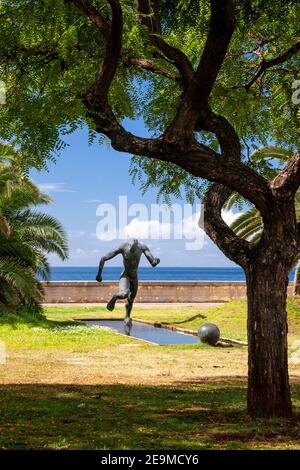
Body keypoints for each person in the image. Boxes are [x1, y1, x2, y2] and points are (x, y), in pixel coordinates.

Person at [96, 239, 160, 324]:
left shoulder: (142, 247)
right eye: (131, 251)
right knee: (124, 293)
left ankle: (127, 316)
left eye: (134, 251)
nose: (132, 252)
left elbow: (152, 262)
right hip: (125, 275)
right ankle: (114, 297)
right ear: (128, 246)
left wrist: (155, 261)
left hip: (134, 276)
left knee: (131, 298)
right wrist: (99, 275)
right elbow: (103, 258)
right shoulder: (123, 247)